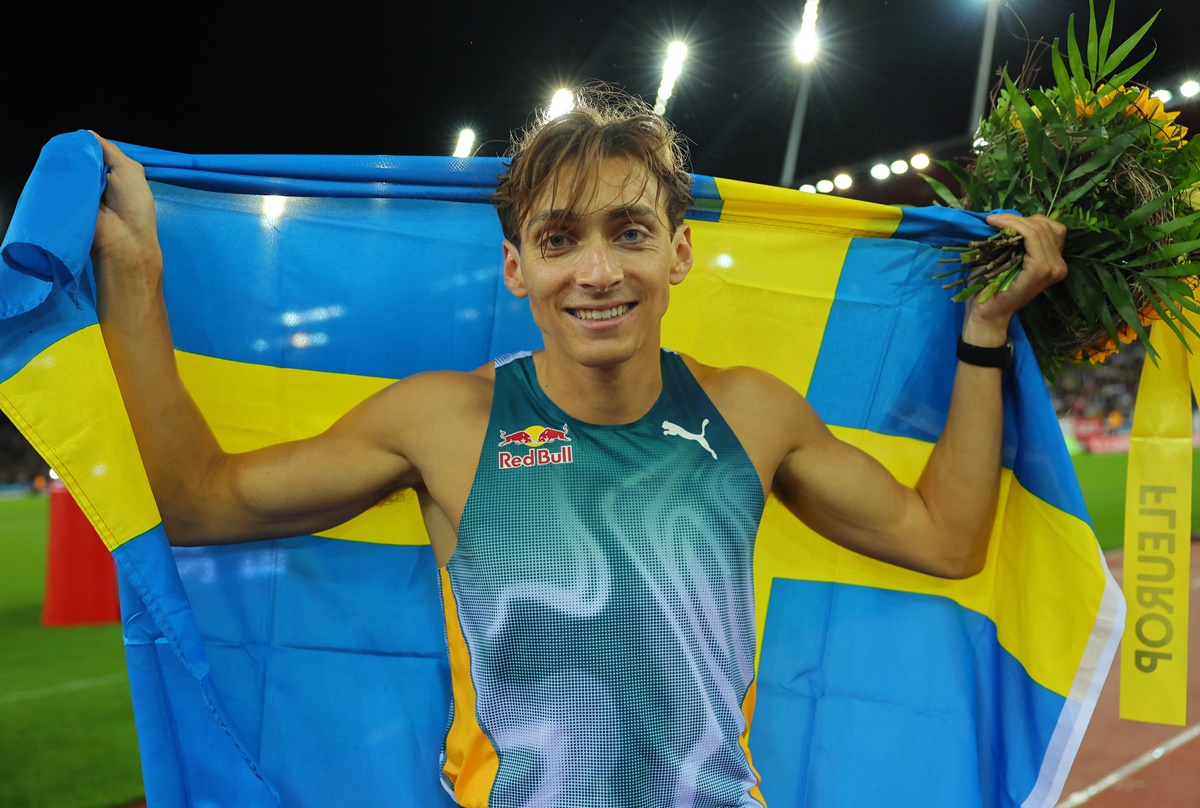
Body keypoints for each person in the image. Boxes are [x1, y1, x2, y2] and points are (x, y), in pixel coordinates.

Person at [90, 90, 1066, 807]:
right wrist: (134, 273)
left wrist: (982, 334)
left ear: (676, 253)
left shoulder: (754, 415)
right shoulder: (447, 422)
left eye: (629, 230)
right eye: (560, 239)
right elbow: (202, 502)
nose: (597, 270)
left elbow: (946, 539)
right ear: (517, 267)